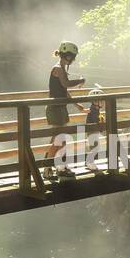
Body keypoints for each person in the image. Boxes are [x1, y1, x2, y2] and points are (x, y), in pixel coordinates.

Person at [45, 41, 86, 177]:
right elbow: (66, 83)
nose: (74, 59)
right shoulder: (58, 69)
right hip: (55, 108)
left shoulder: (62, 68)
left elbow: (64, 90)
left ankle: (58, 167)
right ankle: (48, 168)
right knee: (59, 139)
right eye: (73, 56)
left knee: (59, 139)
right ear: (67, 56)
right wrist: (80, 81)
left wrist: (76, 105)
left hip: (60, 108)